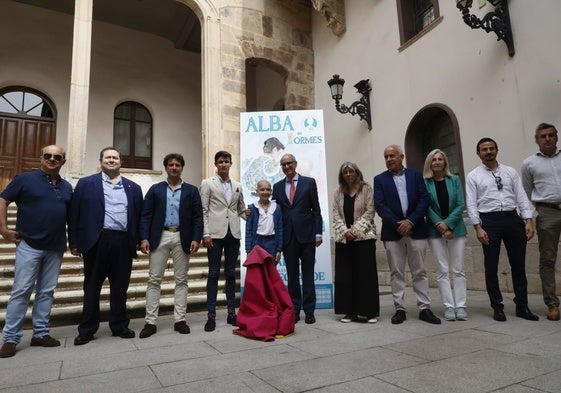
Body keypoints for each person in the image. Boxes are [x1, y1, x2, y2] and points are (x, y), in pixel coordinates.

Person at [0, 146, 72, 358]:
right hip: (29, 244)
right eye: (48, 156)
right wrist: (3, 229)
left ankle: (40, 333)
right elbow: (3, 199)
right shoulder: (24, 179)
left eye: (57, 157)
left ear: (63, 161)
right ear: (41, 158)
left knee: (47, 291)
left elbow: (71, 216)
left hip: (55, 246)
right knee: (21, 290)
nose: (52, 159)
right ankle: (10, 338)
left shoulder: (67, 187)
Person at [69, 147, 143, 345]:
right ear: (101, 160)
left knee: (120, 287)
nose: (112, 160)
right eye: (108, 157)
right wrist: (74, 241)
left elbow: (139, 217)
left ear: (121, 161)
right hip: (96, 241)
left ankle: (119, 325)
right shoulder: (86, 184)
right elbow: (74, 214)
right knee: (92, 287)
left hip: (123, 242)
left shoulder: (133, 188)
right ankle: (87, 329)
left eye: (115, 157)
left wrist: (139, 239)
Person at [465, 137, 538, 322]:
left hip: (512, 219)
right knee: (491, 267)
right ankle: (497, 307)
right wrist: (478, 228)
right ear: (478, 153)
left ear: (497, 150)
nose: (488, 151)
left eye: (491, 148)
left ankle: (522, 306)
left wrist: (528, 220)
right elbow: (471, 204)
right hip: (489, 221)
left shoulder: (510, 172)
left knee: (519, 266)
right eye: (484, 149)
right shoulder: (473, 176)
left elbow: (521, 196)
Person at [138, 154, 203, 338]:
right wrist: (144, 238)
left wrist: (196, 238)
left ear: (182, 168)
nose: (174, 168)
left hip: (182, 236)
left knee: (181, 280)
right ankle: (150, 322)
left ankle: (180, 320)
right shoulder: (155, 189)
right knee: (154, 279)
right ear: (166, 167)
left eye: (177, 165)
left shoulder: (191, 191)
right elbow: (146, 215)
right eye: (171, 165)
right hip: (160, 236)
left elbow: (198, 217)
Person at [374, 145, 441, 325]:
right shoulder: (379, 179)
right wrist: (399, 224)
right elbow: (380, 205)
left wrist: (410, 221)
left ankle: (424, 308)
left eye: (392, 156)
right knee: (396, 272)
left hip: (416, 230)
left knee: (419, 271)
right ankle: (400, 309)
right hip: (392, 232)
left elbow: (424, 199)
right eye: (386, 156)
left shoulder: (415, 175)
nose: (388, 159)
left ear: (401, 156)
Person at [200, 151, 248, 332]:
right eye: (220, 162)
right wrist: (205, 233)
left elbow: (241, 209)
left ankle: (231, 313)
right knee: (213, 274)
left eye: (226, 161)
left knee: (230, 274)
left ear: (231, 163)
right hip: (214, 234)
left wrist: (255, 215)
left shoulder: (237, 185)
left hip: (233, 234)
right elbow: (204, 209)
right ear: (215, 164)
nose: (223, 164)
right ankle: (211, 316)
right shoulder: (207, 183)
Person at [272, 153, 323, 324]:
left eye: (289, 163)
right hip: (288, 238)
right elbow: (272, 210)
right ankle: (294, 310)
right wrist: (253, 210)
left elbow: (316, 210)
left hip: (308, 236)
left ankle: (310, 311)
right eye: (283, 164)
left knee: (308, 275)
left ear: (295, 163)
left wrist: (318, 233)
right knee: (292, 276)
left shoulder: (309, 182)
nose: (287, 167)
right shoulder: (277, 187)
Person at [521, 123, 561, 321]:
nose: (547, 139)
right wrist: (531, 217)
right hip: (547, 211)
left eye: (551, 135)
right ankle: (552, 304)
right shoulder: (529, 164)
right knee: (547, 258)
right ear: (537, 140)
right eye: (543, 136)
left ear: (556, 137)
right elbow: (527, 192)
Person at [423, 149, 468, 321]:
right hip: (435, 231)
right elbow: (426, 206)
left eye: (440, 159)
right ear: (430, 163)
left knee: (458, 270)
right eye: (433, 159)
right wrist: (440, 225)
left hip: (457, 229)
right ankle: (449, 307)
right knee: (442, 270)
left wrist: (448, 224)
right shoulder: (426, 183)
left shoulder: (454, 179)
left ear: (445, 162)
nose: (437, 162)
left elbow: (460, 204)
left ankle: (461, 306)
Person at [332, 162, 379, 323]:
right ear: (342, 175)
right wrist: (346, 232)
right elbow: (335, 214)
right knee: (345, 276)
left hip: (364, 238)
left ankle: (369, 312)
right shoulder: (338, 192)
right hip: (344, 239)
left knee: (365, 275)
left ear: (357, 172)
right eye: (345, 172)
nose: (348, 175)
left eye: (351, 171)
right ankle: (349, 312)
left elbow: (370, 211)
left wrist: (356, 231)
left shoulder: (366, 188)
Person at [245, 179, 283, 262]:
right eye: (262, 189)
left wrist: (279, 249)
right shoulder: (252, 208)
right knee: (258, 272)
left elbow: (280, 229)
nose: (265, 192)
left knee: (271, 270)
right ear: (257, 191)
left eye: (268, 189)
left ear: (271, 191)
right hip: (257, 242)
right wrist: (248, 250)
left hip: (272, 243)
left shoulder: (277, 208)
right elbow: (249, 230)